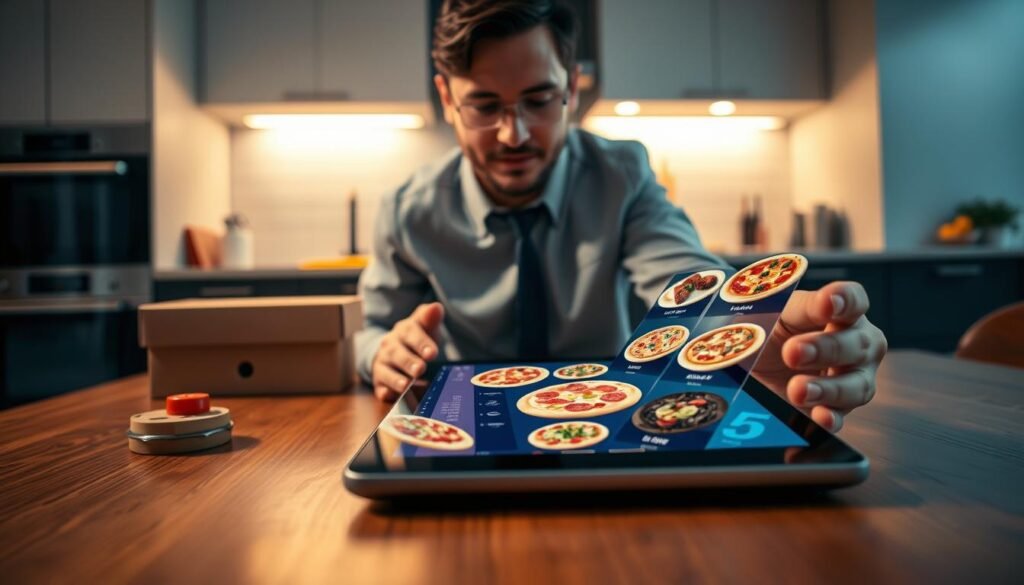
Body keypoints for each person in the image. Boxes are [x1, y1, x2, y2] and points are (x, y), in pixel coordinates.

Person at [355, 0, 887, 432]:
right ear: (447, 97)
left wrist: (753, 331)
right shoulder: (408, 209)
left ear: (571, 87)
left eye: (539, 100)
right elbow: (371, 328)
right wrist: (383, 351)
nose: (512, 134)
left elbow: (689, 282)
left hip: (608, 418)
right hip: (465, 425)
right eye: (485, 106)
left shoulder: (622, 174)